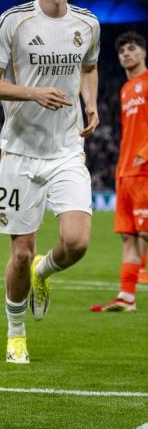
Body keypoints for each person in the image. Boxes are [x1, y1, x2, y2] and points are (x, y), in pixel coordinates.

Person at [0, 0, 100, 364]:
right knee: (20, 251)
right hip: (20, 153)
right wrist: (32, 93)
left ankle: (43, 273)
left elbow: (89, 65)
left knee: (78, 241)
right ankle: (15, 332)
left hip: (67, 148)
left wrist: (91, 103)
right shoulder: (13, 22)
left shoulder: (87, 23)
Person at [90, 32, 148, 312]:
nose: (126, 53)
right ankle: (127, 297)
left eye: (132, 48)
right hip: (125, 172)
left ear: (143, 53)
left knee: (145, 232)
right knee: (130, 235)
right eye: (122, 50)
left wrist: (144, 154)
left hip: (143, 171)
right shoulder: (126, 89)